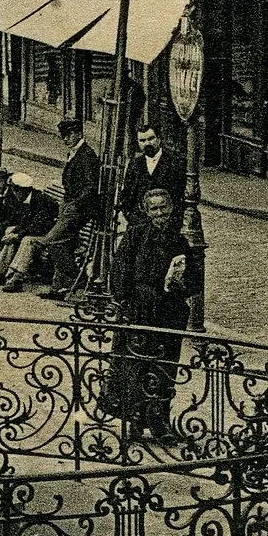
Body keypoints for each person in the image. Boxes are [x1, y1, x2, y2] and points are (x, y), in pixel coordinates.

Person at [105, 187, 201, 442]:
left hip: (168, 311)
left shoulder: (179, 241)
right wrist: (125, 301)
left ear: (171, 210)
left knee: (164, 367)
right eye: (154, 209)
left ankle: (160, 422)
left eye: (164, 208)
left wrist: (181, 283)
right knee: (134, 366)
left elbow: (194, 280)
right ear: (146, 211)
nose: (160, 214)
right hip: (140, 311)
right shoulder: (135, 235)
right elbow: (120, 269)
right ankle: (134, 420)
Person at [0, 119, 102, 299]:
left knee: (46, 242)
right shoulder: (76, 153)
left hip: (77, 210)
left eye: (69, 135)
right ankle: (58, 287)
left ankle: (70, 278)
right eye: (63, 136)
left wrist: (74, 205)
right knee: (58, 244)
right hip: (69, 207)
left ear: (79, 134)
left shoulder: (87, 156)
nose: (66, 139)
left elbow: (91, 187)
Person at [0, 172, 57, 289]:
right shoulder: (26, 199)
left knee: (27, 240)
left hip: (49, 235)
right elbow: (24, 222)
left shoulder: (43, 202)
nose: (14, 194)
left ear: (21, 190)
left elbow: (39, 227)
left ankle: (17, 278)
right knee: (11, 233)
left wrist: (17, 235)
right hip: (39, 232)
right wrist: (14, 232)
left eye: (15, 191)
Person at [117, 124, 188, 227]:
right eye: (142, 140)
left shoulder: (175, 162)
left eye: (151, 138)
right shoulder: (134, 164)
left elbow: (179, 197)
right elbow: (127, 196)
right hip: (139, 227)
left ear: (159, 139)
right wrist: (133, 219)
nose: (147, 143)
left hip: (166, 226)